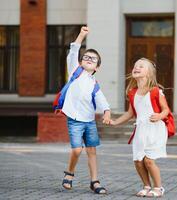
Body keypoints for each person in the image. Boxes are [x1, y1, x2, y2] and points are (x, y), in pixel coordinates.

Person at [59, 26, 111, 194]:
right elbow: (74, 51)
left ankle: (94, 181)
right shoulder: (75, 71)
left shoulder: (94, 84)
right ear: (81, 62)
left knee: (91, 151)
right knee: (76, 149)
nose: (89, 59)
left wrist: (107, 112)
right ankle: (70, 173)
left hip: (89, 121)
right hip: (74, 119)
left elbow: (101, 99)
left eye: (93, 59)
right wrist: (81, 35)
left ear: (97, 67)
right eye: (86, 57)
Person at [110, 58, 171, 197]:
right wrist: (115, 122)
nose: (136, 67)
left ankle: (158, 187)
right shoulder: (132, 92)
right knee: (138, 161)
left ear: (149, 73)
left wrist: (160, 116)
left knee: (149, 161)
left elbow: (166, 110)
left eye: (141, 66)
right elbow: (130, 113)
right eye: (135, 66)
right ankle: (146, 185)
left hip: (155, 129)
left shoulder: (155, 91)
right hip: (141, 129)